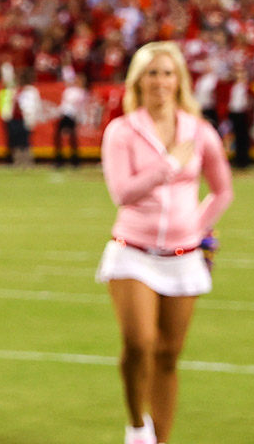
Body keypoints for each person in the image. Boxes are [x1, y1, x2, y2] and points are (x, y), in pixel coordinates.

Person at [96, 41, 233, 444]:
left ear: (180, 81)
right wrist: (169, 165)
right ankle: (137, 427)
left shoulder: (199, 130)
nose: (160, 81)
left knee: (169, 356)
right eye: (152, 73)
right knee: (139, 344)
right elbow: (122, 192)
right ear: (138, 80)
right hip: (132, 252)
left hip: (184, 256)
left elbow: (223, 191)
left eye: (168, 73)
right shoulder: (122, 130)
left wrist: (196, 226)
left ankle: (163, 439)